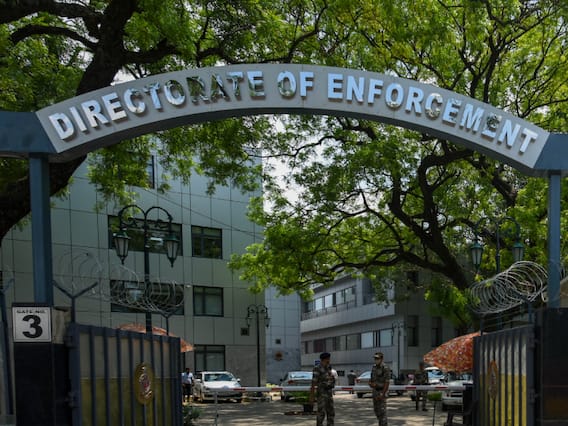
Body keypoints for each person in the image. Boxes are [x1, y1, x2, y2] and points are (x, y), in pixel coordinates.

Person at [310, 352, 336, 426]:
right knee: (321, 412)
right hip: (322, 393)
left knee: (331, 412)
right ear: (324, 359)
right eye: (328, 359)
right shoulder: (317, 368)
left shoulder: (328, 367)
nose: (329, 360)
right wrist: (312, 395)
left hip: (329, 393)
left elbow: (330, 378)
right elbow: (313, 382)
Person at [369, 352, 390, 426]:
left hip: (381, 391)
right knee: (376, 411)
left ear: (381, 359)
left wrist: (382, 394)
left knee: (382, 412)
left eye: (377, 358)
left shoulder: (385, 368)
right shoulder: (374, 367)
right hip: (375, 392)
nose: (376, 360)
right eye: (375, 358)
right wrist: (370, 383)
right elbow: (372, 379)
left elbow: (387, 382)